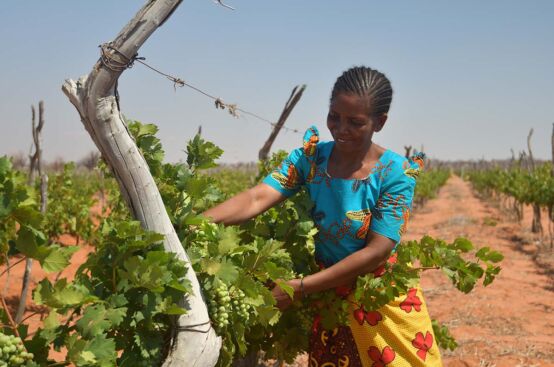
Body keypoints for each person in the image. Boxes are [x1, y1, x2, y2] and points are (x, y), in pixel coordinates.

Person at [203, 66, 442, 366]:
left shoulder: (396, 173)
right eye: (334, 117)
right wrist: (196, 223)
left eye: (355, 122)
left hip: (379, 299)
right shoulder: (311, 158)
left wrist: (300, 287)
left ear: (379, 122)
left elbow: (378, 251)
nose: (341, 129)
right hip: (329, 297)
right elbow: (257, 197)